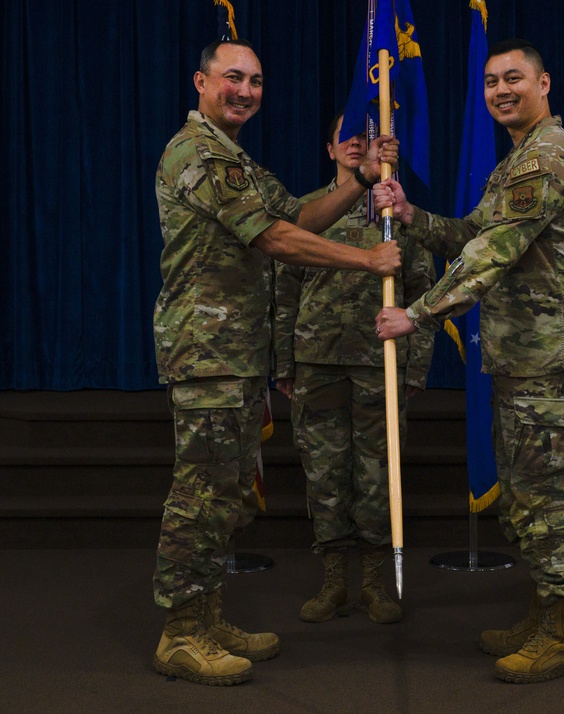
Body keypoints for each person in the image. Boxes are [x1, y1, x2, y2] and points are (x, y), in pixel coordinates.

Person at [152, 38, 401, 687]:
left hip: (233, 354)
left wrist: (354, 185)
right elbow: (273, 239)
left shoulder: (234, 156)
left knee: (226, 494)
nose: (245, 90)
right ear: (200, 80)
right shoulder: (198, 152)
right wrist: (366, 260)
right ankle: (180, 633)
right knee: (199, 495)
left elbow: (296, 215)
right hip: (206, 353)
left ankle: (207, 617)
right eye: (233, 77)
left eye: (256, 81)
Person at [373, 38, 564, 684]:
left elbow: (491, 254)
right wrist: (412, 215)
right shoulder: (516, 162)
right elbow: (473, 234)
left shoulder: (546, 160)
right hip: (525, 361)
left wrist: (414, 314)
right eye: (491, 82)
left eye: (514, 78)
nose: (501, 90)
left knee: (552, 501)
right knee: (529, 500)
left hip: (552, 362)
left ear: (544, 83)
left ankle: (563, 632)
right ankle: (543, 611)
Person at [273, 113, 435, 626]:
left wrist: (415, 369)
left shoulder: (395, 211)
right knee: (324, 475)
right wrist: (283, 362)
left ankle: (372, 582)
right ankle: (334, 581)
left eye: (365, 137)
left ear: (381, 147)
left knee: (376, 475)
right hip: (316, 360)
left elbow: (423, 293)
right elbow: (283, 293)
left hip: (378, 360)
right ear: (328, 148)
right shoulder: (308, 214)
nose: (355, 145)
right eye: (345, 136)